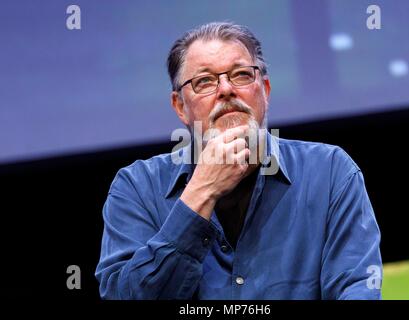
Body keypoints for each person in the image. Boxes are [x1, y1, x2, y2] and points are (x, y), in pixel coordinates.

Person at [95, 22, 382, 299]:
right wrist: (201, 193)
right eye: (204, 81)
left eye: (241, 75)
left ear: (265, 90)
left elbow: (357, 289)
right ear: (180, 106)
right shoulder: (135, 188)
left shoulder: (330, 172)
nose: (226, 89)